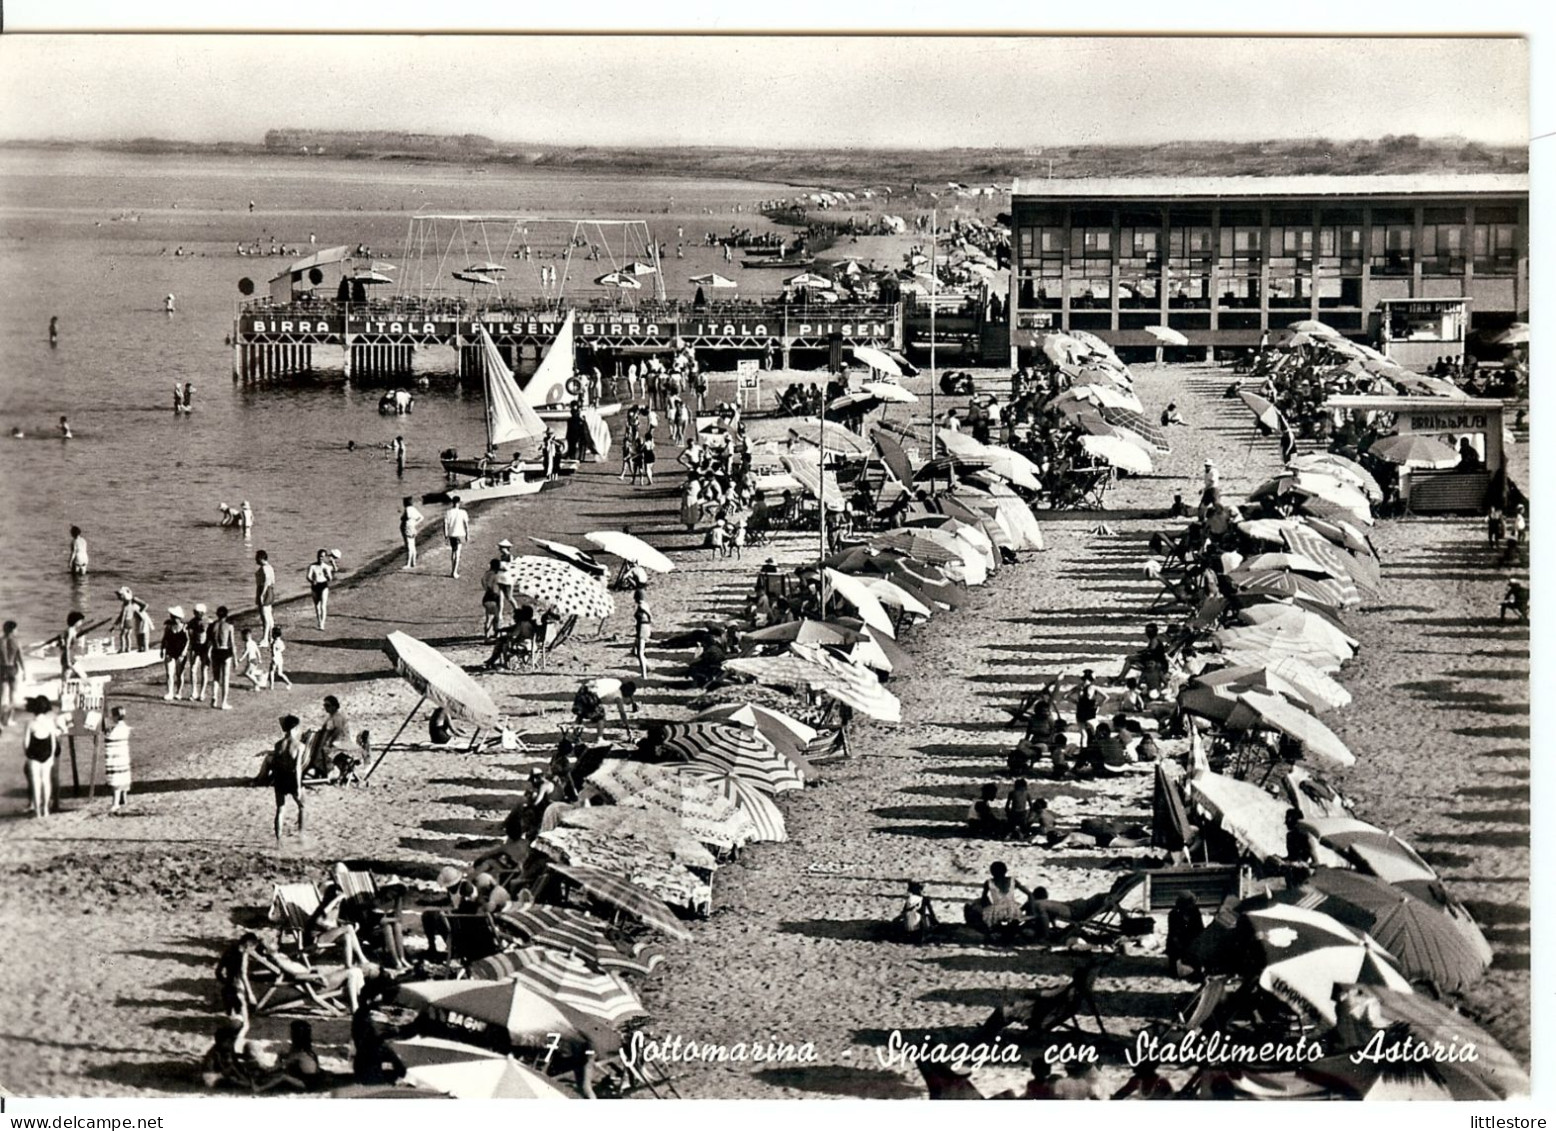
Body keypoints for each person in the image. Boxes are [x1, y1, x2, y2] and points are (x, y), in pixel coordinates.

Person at [965, 861, 1030, 941]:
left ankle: (997, 932)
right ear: (1005, 871)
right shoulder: (1013, 880)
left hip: (997, 910)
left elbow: (984, 899)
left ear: (992, 872)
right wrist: (1026, 907)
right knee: (1014, 924)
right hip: (1013, 909)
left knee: (987, 919)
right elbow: (1029, 894)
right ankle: (1012, 931)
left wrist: (986, 906)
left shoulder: (989, 882)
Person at [22, 695, 59, 818]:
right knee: (46, 781)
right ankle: (46, 810)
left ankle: (37, 811)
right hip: (47, 753)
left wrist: (27, 756)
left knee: (35, 782)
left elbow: (26, 743)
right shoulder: (50, 723)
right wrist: (52, 756)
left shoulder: (30, 723)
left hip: (33, 755)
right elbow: (53, 742)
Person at [571, 676, 638, 742]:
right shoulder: (618, 696)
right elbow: (622, 713)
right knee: (601, 716)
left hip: (584, 688)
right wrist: (628, 729)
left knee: (581, 713)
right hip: (591, 694)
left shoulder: (617, 682)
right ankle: (599, 739)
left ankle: (575, 734)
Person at [270, 714, 304, 840]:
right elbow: (298, 768)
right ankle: (301, 835)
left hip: (280, 777)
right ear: (296, 728)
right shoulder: (299, 746)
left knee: (280, 809)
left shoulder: (278, 744)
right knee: (301, 806)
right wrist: (299, 786)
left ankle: (278, 840)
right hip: (291, 777)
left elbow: (275, 763)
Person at [1164, 892, 1205, 978]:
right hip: (1178, 943)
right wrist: (1181, 947)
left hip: (1192, 941)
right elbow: (1173, 933)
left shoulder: (1195, 912)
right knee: (1176, 971)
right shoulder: (1173, 914)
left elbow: (1200, 929)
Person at [103, 705, 132, 812]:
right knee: (123, 777)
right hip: (123, 756)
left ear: (115, 717)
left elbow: (109, 738)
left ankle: (115, 804)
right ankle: (123, 798)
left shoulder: (116, 730)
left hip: (116, 757)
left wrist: (106, 732)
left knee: (116, 780)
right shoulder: (124, 728)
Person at [892, 880, 939, 944]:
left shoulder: (909, 899)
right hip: (919, 929)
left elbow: (904, 912)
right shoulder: (924, 899)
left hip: (907, 928)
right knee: (927, 917)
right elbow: (931, 913)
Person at [209, 606, 237, 709]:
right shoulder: (229, 626)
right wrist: (235, 659)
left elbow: (210, 641)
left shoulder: (213, 626)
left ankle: (214, 696)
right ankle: (224, 702)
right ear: (226, 615)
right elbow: (232, 644)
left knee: (216, 677)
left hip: (215, 651)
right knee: (225, 678)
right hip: (225, 651)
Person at [160, 606, 188, 700]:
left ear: (179, 618)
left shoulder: (185, 627)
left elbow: (188, 641)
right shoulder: (168, 627)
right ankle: (170, 692)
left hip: (181, 653)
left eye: (174, 617)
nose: (172, 618)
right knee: (169, 673)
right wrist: (162, 650)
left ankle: (178, 692)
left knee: (179, 674)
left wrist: (184, 651)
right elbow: (164, 639)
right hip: (170, 652)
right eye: (172, 616)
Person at [0, 620, 25, 728]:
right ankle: (9, 719)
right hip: (12, 669)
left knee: (1, 696)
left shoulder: (0, 641)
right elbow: (21, 659)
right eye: (16, 629)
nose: (17, 631)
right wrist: (25, 671)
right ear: (12, 630)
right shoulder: (16, 642)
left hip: (1, 669)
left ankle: (0, 720)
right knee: (12, 696)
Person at [305, 549, 335, 631]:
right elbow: (308, 576)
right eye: (319, 556)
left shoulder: (326, 566)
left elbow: (330, 578)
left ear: (325, 557)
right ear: (317, 556)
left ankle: (322, 623)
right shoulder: (312, 566)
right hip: (315, 586)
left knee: (323, 605)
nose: (320, 558)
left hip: (323, 585)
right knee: (317, 606)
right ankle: (319, 621)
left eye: (322, 557)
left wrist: (327, 574)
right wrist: (312, 581)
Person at [443, 495, 470, 578]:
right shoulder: (463, 512)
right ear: (459, 503)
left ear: (452, 502)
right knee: (457, 553)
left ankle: (453, 570)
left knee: (453, 552)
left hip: (451, 534)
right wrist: (467, 534)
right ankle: (454, 572)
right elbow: (466, 524)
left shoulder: (448, 512)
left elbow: (445, 525)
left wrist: (446, 535)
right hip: (460, 534)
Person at [254, 551, 276, 646]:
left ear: (260, 558)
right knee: (269, 615)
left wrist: (262, 594)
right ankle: (271, 637)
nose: (255, 560)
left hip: (264, 590)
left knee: (265, 616)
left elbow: (267, 580)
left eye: (257, 558)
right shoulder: (270, 567)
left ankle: (265, 639)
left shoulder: (264, 568)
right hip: (269, 590)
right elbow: (273, 581)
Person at [632, 587, 653, 680]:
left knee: (640, 652)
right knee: (635, 650)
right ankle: (648, 666)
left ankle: (644, 674)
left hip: (642, 628)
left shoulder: (641, 606)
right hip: (643, 627)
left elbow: (649, 615)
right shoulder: (645, 604)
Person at [399, 497, 423, 569]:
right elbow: (421, 517)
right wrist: (415, 523)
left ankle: (408, 564)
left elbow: (408, 516)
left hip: (407, 528)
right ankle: (413, 562)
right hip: (412, 528)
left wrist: (403, 517)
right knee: (412, 545)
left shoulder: (408, 509)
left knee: (409, 546)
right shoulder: (413, 508)